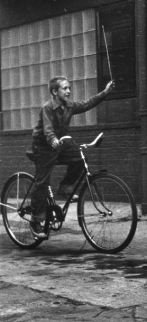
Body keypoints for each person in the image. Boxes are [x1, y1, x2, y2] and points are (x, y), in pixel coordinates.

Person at [29, 77, 114, 239]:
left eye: (69, 88)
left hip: (60, 142)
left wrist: (105, 92)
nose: (68, 91)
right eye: (65, 88)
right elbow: (48, 130)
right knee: (42, 181)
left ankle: (65, 187)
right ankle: (35, 220)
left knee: (81, 159)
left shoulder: (69, 106)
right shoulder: (47, 108)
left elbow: (87, 103)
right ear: (55, 92)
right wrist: (53, 140)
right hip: (44, 146)